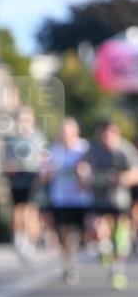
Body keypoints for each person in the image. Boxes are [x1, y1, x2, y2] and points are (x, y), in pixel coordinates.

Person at [78, 119, 138, 289]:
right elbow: (82, 164)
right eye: (103, 134)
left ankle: (117, 270)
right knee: (95, 227)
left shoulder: (125, 149)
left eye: (109, 134)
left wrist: (121, 178)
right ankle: (103, 247)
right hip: (98, 198)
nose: (106, 138)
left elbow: (135, 172)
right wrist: (83, 175)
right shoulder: (94, 149)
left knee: (120, 239)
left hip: (119, 200)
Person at [40, 117, 91, 284]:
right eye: (62, 132)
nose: (65, 135)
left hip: (82, 199)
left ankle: (93, 249)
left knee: (85, 233)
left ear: (75, 132)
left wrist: (83, 173)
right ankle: (69, 265)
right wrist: (49, 171)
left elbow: (93, 171)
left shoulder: (84, 149)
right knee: (64, 233)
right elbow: (43, 176)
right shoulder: (53, 150)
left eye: (68, 132)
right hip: (61, 198)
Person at [1, 105, 47, 261]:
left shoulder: (37, 136)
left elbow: (43, 156)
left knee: (31, 209)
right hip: (16, 176)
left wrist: (42, 172)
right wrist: (9, 166)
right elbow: (5, 159)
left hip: (32, 175)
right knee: (18, 209)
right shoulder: (11, 138)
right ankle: (20, 237)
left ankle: (30, 240)